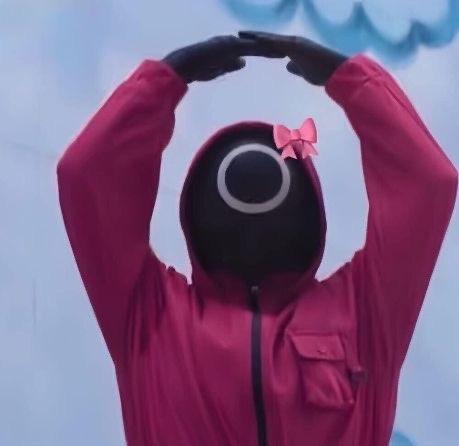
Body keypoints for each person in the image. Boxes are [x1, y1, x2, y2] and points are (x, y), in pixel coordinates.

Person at [56, 31, 457, 446]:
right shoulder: (150, 315)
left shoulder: (365, 313)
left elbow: (428, 185)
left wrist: (355, 83)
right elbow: (87, 176)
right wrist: (160, 84)